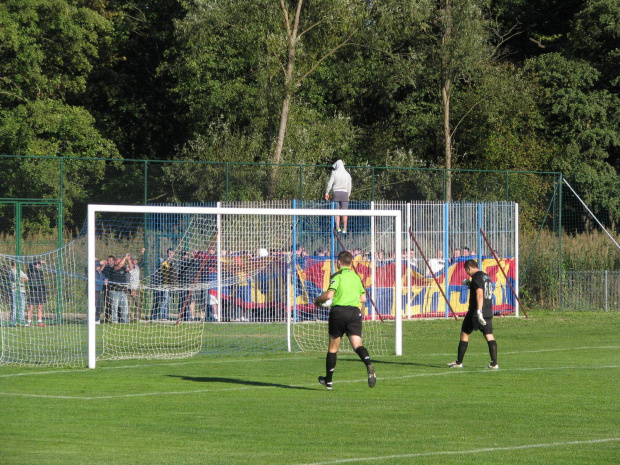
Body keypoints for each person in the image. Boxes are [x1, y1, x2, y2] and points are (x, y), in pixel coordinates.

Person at [314, 250, 376, 390]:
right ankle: (368, 365)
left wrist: (317, 300)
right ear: (351, 262)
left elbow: (329, 295)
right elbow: (363, 298)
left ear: (339, 262)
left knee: (333, 348)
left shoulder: (337, 276)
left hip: (339, 312)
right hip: (354, 312)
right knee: (357, 345)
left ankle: (328, 382)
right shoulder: (356, 277)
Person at [447, 259, 498, 369]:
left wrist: (478, 311)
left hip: (476, 311)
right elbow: (483, 289)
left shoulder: (476, 276)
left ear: (469, 268)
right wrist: (470, 284)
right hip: (488, 310)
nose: (467, 273)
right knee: (489, 335)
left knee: (465, 333)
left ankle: (459, 362)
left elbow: (480, 294)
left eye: (467, 270)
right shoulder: (486, 276)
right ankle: (494, 363)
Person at [324, 159, 352, 233]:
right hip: (345, 194)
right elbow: (349, 186)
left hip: (336, 194)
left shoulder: (334, 173)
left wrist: (327, 192)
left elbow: (330, 183)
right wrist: (348, 195)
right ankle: (345, 228)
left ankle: (338, 227)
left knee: (336, 211)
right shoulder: (347, 174)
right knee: (345, 211)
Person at [27, 259, 47, 326]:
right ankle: (29, 322)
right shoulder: (30, 271)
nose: (39, 265)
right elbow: (30, 264)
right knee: (31, 306)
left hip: (40, 290)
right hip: (33, 290)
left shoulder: (40, 272)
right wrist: (39, 261)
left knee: (40, 306)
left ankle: (40, 322)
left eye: (39, 264)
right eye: (37, 264)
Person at [10, 261, 28, 325]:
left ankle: (21, 321)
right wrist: (21, 278)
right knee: (14, 306)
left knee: (22, 306)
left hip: (22, 290)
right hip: (14, 290)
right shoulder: (11, 271)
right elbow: (15, 279)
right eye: (15, 262)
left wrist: (23, 278)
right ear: (13, 263)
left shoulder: (20, 270)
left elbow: (26, 278)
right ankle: (13, 321)